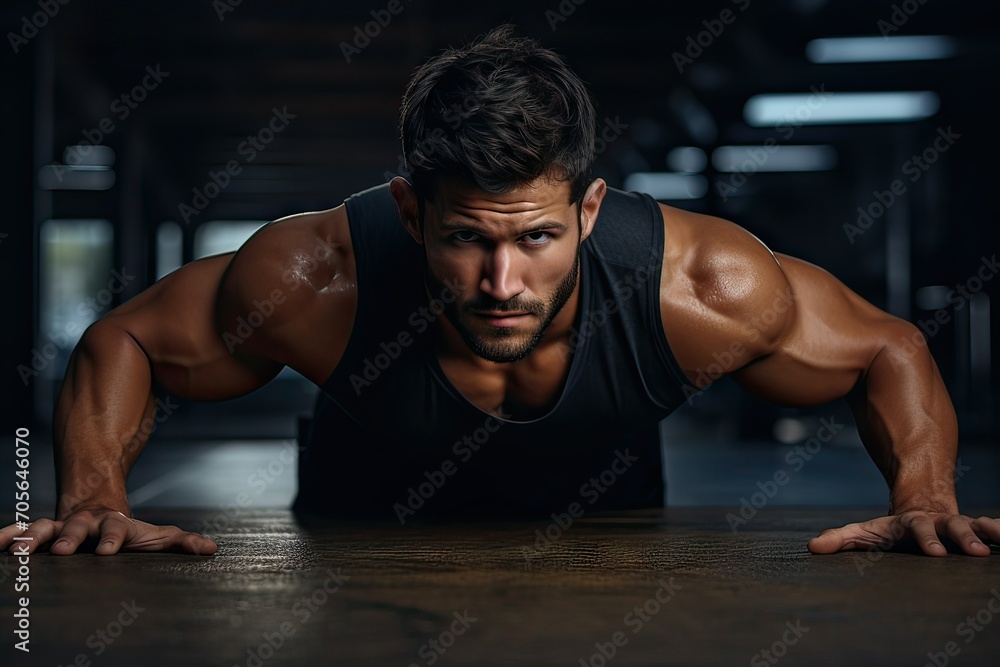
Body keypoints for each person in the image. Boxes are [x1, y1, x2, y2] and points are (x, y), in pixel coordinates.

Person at [3, 26, 997, 559]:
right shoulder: (312, 277)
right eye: (466, 240)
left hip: (608, 539)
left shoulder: (706, 287)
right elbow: (123, 341)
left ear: (593, 209)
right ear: (410, 209)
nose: (501, 283)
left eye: (536, 237)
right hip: (359, 531)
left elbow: (884, 348)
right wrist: (95, 498)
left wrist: (922, 497)